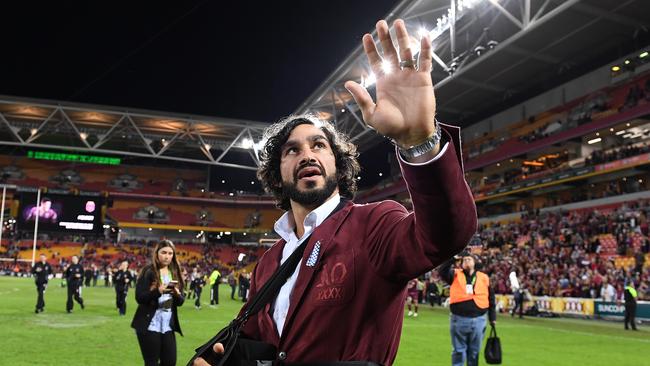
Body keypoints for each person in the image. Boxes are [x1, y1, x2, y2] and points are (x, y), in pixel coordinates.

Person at [192, 18, 476, 366]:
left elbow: (446, 235)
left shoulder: (374, 224)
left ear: (338, 165)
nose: (307, 154)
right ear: (277, 176)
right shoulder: (268, 263)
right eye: (292, 150)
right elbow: (259, 341)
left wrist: (420, 142)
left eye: (319, 145)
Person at [131, 240, 185, 366]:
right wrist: (158, 291)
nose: (167, 256)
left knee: (170, 362)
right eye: (164, 252)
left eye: (170, 253)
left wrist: (177, 295)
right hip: (150, 324)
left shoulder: (175, 272)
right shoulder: (148, 271)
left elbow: (181, 302)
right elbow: (139, 297)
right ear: (157, 254)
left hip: (167, 325)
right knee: (151, 363)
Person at [439, 252, 496, 366]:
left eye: (469, 259)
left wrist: (492, 318)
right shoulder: (454, 275)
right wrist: (453, 258)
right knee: (458, 352)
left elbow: (491, 298)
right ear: (460, 264)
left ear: (474, 262)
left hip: (479, 319)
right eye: (464, 260)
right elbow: (442, 271)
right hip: (459, 319)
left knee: (474, 353)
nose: (467, 261)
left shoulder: (483, 278)